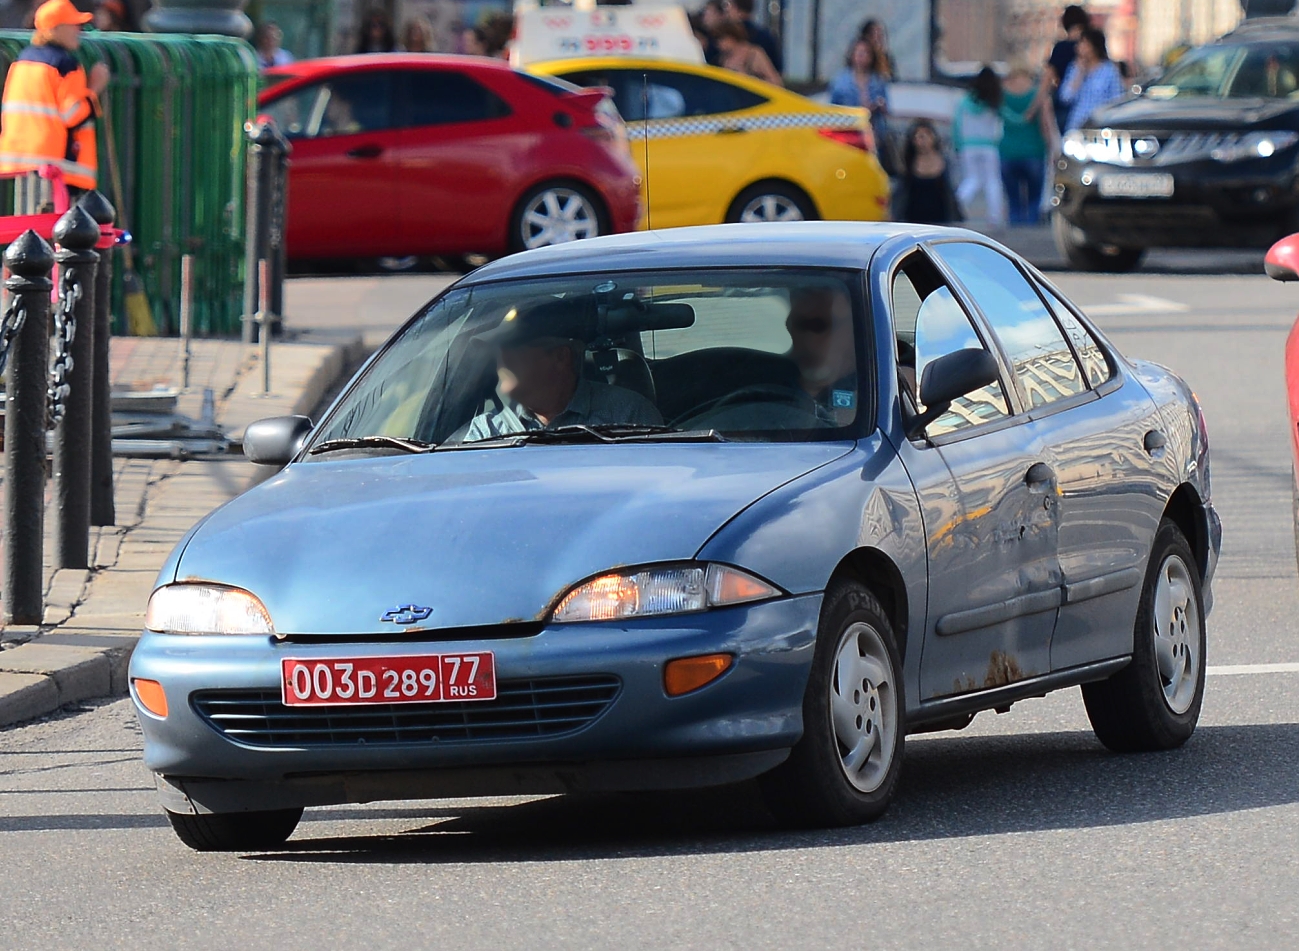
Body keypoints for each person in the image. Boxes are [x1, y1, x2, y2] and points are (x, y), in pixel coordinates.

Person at [465, 299, 663, 440]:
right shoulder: (487, 431)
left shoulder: (628, 416)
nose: (501, 359)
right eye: (498, 351)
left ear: (561, 356)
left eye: (513, 349)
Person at [0, 0, 109, 195]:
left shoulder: (23, 60)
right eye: (73, 25)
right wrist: (94, 89)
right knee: (58, 224)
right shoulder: (65, 64)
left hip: (20, 162)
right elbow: (73, 115)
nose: (79, 30)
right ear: (55, 29)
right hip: (55, 167)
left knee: (29, 223)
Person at [785, 286, 857, 424]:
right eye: (799, 325)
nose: (809, 340)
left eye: (819, 326)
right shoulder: (770, 382)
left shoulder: (885, 386)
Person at [953, 66, 1006, 228]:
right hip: (990, 147)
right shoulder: (995, 101)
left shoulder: (964, 101)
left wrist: (958, 144)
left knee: (972, 180)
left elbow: (956, 124)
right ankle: (995, 218)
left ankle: (955, 206)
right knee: (993, 181)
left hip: (968, 146)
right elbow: (1002, 124)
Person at [828, 38, 889, 168]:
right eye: (859, 52)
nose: (862, 57)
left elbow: (887, 109)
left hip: (873, 135)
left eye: (866, 53)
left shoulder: (877, 81)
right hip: (848, 135)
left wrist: (879, 106)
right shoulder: (840, 82)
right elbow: (833, 110)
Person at [1000, 62, 1047, 224]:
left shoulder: (1002, 95)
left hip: (1007, 151)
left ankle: (1015, 233)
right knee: (1034, 198)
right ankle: (1030, 231)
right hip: (1034, 151)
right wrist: (1051, 146)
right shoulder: (1037, 95)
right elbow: (1045, 124)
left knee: (1014, 200)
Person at [893, 119, 961, 224]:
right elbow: (900, 194)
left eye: (923, 136)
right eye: (916, 138)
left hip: (942, 219)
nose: (920, 141)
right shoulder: (908, 164)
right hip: (914, 221)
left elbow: (951, 193)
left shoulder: (945, 162)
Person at [1059, 27, 1123, 132]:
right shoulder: (1074, 68)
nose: (1079, 47)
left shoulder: (1109, 70)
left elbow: (1116, 99)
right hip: (1077, 124)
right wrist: (1079, 74)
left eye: (1084, 43)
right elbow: (1065, 97)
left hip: (1100, 124)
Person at [1045, 5, 1089, 135]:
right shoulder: (1094, 45)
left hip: (1065, 103)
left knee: (1065, 139)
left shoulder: (1061, 47)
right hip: (1089, 101)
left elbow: (1049, 76)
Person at [713, 19, 782, 86]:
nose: (718, 44)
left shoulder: (754, 54)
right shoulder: (722, 58)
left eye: (720, 39)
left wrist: (752, 82)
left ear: (732, 37)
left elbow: (775, 81)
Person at [723, 0, 781, 74]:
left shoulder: (732, 35)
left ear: (738, 10)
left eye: (729, 8)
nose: (726, 14)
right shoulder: (767, 35)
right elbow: (778, 67)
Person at [699, 0, 725, 65]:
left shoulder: (724, 36)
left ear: (720, 15)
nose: (705, 16)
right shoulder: (703, 33)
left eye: (709, 13)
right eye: (705, 12)